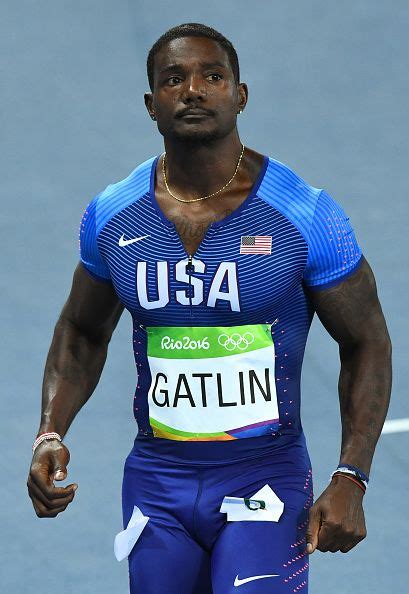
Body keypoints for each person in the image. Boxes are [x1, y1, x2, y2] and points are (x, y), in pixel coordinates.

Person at [27, 23, 392, 594]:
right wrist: (49, 432)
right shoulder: (114, 214)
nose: (193, 90)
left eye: (212, 76)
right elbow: (81, 329)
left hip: (266, 477)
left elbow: (366, 339)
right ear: (151, 105)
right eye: (174, 79)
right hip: (157, 481)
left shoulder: (305, 215)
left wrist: (353, 474)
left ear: (239, 95)